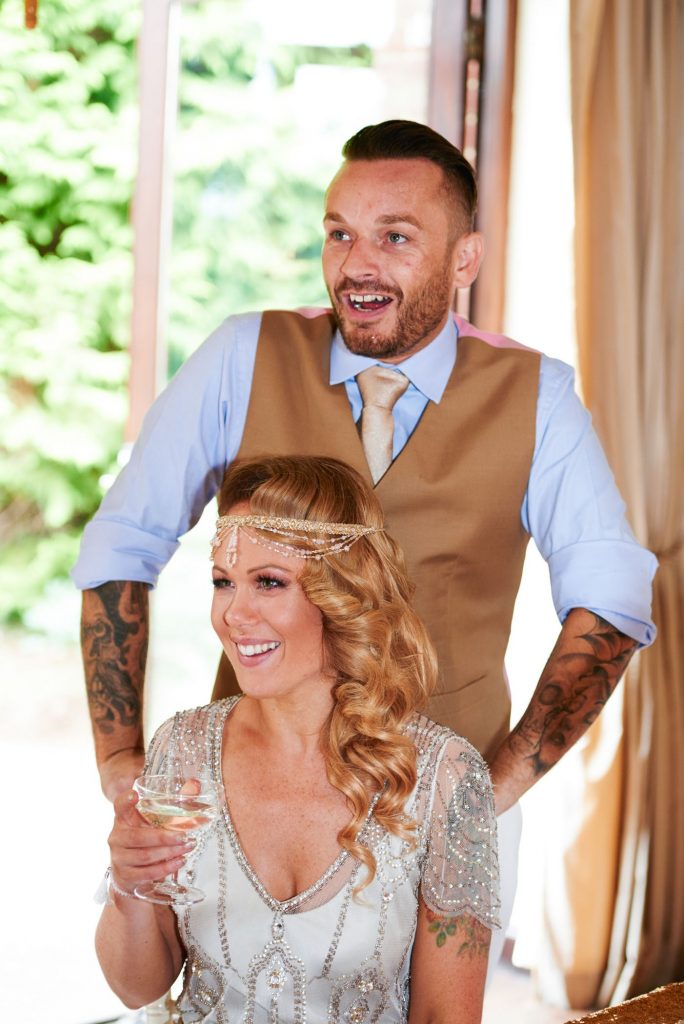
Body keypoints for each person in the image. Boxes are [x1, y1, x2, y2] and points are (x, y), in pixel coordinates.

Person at [76, 119, 656, 964]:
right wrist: (121, 761)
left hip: (437, 808)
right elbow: (120, 545)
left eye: (396, 237)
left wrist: (495, 791)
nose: (358, 264)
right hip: (243, 805)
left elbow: (613, 598)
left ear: (465, 260)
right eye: (341, 233)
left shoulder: (538, 397)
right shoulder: (245, 354)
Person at [97, 455, 501, 1024]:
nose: (234, 613)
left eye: (268, 582)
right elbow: (137, 988)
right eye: (223, 582)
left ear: (341, 592)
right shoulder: (182, 748)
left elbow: (446, 1015)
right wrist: (128, 885)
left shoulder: (443, 776)